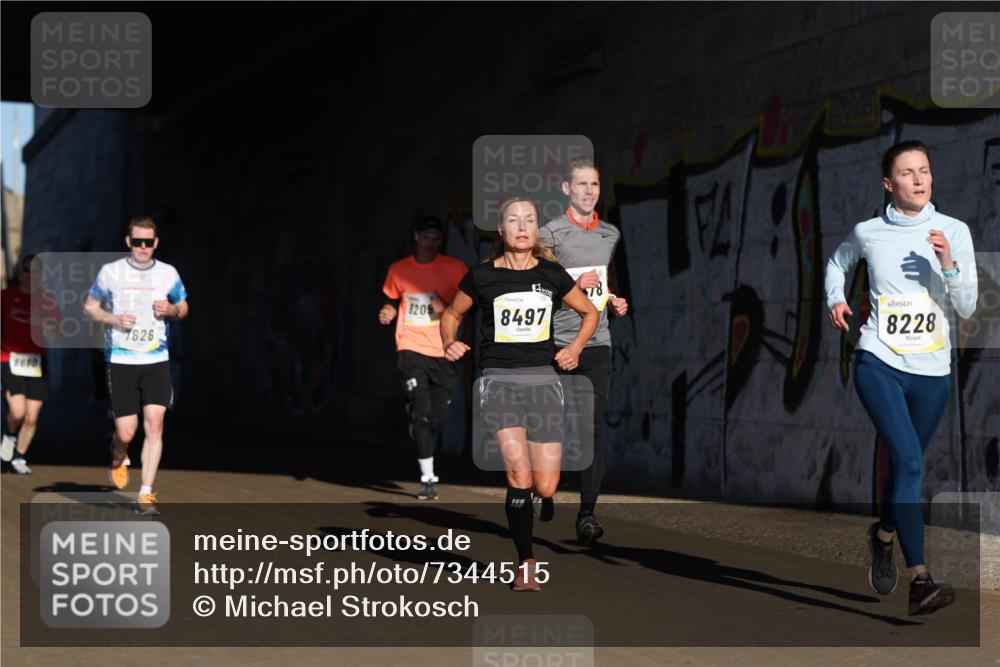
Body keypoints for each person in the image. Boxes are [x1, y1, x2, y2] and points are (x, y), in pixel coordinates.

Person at [825, 140, 977, 615]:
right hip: (879, 362)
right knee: (910, 463)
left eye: (925, 170)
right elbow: (837, 263)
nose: (919, 179)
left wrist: (948, 265)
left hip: (932, 372)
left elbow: (968, 306)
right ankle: (921, 580)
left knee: (905, 469)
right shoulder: (869, 232)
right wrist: (836, 297)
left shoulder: (953, 231)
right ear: (889, 184)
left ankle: (884, 535)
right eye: (908, 173)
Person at [441, 197, 598, 591]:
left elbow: (590, 313)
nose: (523, 226)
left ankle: (544, 498)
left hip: (544, 382)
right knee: (518, 474)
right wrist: (449, 342)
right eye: (514, 220)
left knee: (544, 484)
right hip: (498, 381)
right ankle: (526, 562)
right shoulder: (481, 276)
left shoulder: (551, 275)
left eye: (530, 220)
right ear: (502, 229)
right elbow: (451, 314)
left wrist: (575, 348)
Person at [540, 157, 629, 545]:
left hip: (596, 345)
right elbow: (535, 291)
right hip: (554, 344)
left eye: (594, 184)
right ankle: (542, 488)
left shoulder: (610, 234)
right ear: (566, 189)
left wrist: (613, 300)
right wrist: (575, 282)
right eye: (581, 185)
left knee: (590, 427)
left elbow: (606, 283)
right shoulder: (549, 235)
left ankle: (587, 515)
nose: (589, 191)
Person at [84, 217, 189, 515]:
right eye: (138, 241)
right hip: (122, 360)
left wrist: (172, 310)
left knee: (155, 425)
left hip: (156, 359)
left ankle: (145, 494)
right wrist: (113, 319)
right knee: (127, 432)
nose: (143, 247)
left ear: (156, 243)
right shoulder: (111, 272)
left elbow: (184, 307)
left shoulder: (168, 273)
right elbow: (89, 307)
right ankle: (118, 452)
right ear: (128, 242)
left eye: (149, 242)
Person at [379, 215, 468, 500]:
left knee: (437, 419)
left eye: (436, 238)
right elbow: (392, 299)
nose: (431, 243)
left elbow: (470, 302)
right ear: (416, 237)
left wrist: (447, 305)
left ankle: (420, 418)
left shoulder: (454, 269)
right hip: (411, 347)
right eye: (427, 237)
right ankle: (428, 478)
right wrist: (389, 311)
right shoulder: (399, 270)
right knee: (423, 413)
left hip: (443, 350)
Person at [1, 255, 60, 474]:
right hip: (9, 359)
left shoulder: (46, 300)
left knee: (32, 416)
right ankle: (8, 434)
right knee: (17, 413)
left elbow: (59, 333)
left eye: (35, 271)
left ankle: (19, 457)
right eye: (26, 270)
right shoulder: (6, 296)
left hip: (36, 361)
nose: (30, 275)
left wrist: (49, 324)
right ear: (20, 272)